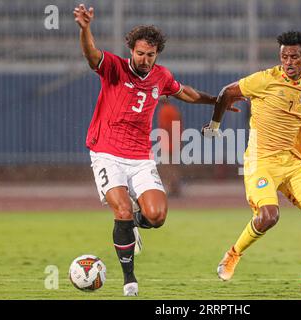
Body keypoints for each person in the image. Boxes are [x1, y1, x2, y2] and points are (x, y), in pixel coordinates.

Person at [73, 4, 240, 297]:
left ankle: (134, 225)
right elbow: (90, 54)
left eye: (151, 55)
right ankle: (129, 280)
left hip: (140, 157)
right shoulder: (114, 67)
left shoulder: (160, 76)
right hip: (106, 153)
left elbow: (185, 92)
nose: (145, 59)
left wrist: (216, 100)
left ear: (156, 55)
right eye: (140, 53)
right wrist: (85, 28)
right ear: (131, 51)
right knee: (122, 210)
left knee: (157, 217)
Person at [202, 31, 301, 296]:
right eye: (284, 56)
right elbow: (226, 92)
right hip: (261, 162)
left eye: (294, 57)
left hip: (292, 163)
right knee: (269, 216)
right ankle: (233, 254)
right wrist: (214, 126)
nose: (288, 61)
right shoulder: (264, 80)